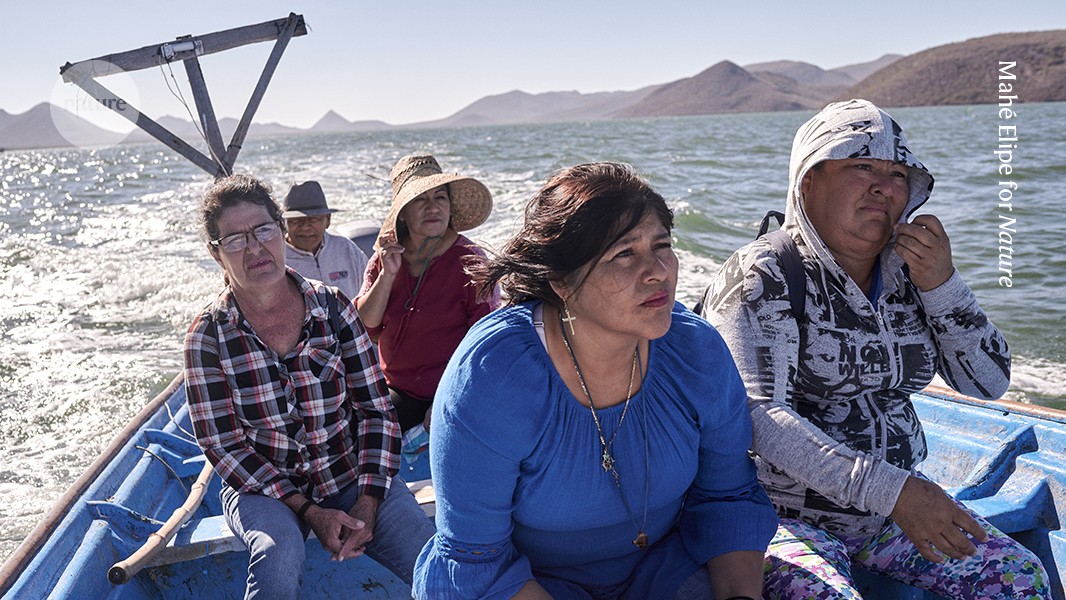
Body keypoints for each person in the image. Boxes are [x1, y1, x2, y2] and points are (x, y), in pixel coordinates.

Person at [698, 99, 1050, 598]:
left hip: (890, 518)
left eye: (898, 174)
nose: (883, 186)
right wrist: (894, 492)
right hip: (777, 516)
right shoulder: (764, 273)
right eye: (861, 166)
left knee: (1020, 577)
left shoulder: (911, 270)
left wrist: (942, 284)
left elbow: (989, 383)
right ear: (808, 181)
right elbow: (757, 417)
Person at [413, 162, 778, 599]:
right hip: (525, 584)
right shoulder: (493, 378)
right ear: (561, 281)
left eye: (662, 245)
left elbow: (727, 497)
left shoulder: (694, 352)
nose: (658, 271)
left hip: (663, 568)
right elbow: (478, 562)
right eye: (624, 254)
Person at [183, 174, 435, 599]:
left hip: (350, 472)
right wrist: (308, 510)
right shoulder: (207, 336)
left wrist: (369, 500)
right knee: (276, 551)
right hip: (265, 491)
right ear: (216, 253)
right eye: (235, 240)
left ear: (280, 232)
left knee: (436, 565)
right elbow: (223, 445)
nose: (255, 248)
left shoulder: (333, 307)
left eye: (264, 231)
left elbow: (375, 410)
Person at [356, 153, 499, 434]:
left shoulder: (472, 262)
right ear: (403, 213)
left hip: (456, 388)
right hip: (396, 390)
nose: (433, 207)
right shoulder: (385, 257)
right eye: (420, 199)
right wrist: (387, 275)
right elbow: (365, 327)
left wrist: (448, 397)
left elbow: (486, 343)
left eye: (440, 197)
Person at [281, 180, 369, 299]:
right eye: (296, 220)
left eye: (313, 219)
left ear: (328, 220)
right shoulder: (277, 258)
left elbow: (370, 290)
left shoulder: (346, 248)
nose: (305, 227)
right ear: (284, 223)